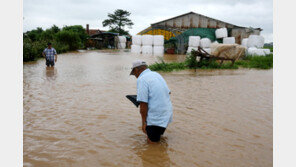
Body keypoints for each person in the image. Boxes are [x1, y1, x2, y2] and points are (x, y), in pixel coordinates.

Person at [130, 60, 173, 143]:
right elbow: (168, 92)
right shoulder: (156, 74)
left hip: (156, 118)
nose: (135, 76)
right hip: (167, 114)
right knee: (158, 140)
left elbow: (143, 105)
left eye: (134, 74)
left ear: (136, 70)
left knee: (152, 145)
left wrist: (143, 124)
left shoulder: (142, 79)